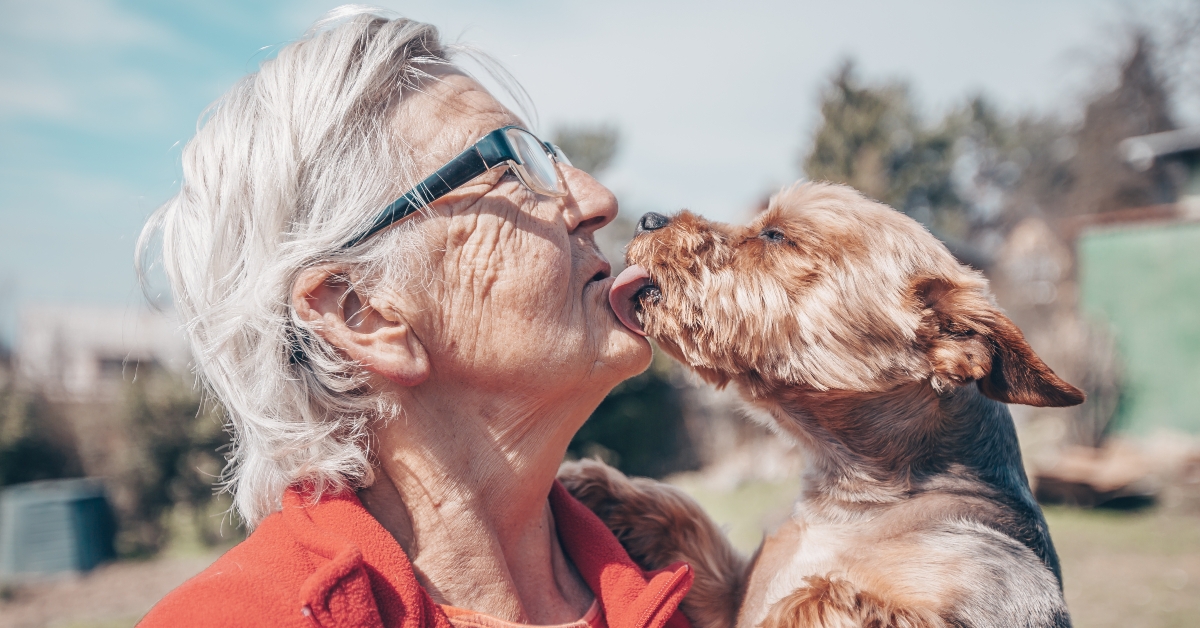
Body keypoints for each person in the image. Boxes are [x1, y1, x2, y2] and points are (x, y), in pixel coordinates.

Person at [138, 8, 692, 628]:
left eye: (550, 157)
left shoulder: (692, 592)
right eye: (512, 169)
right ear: (364, 313)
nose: (596, 200)